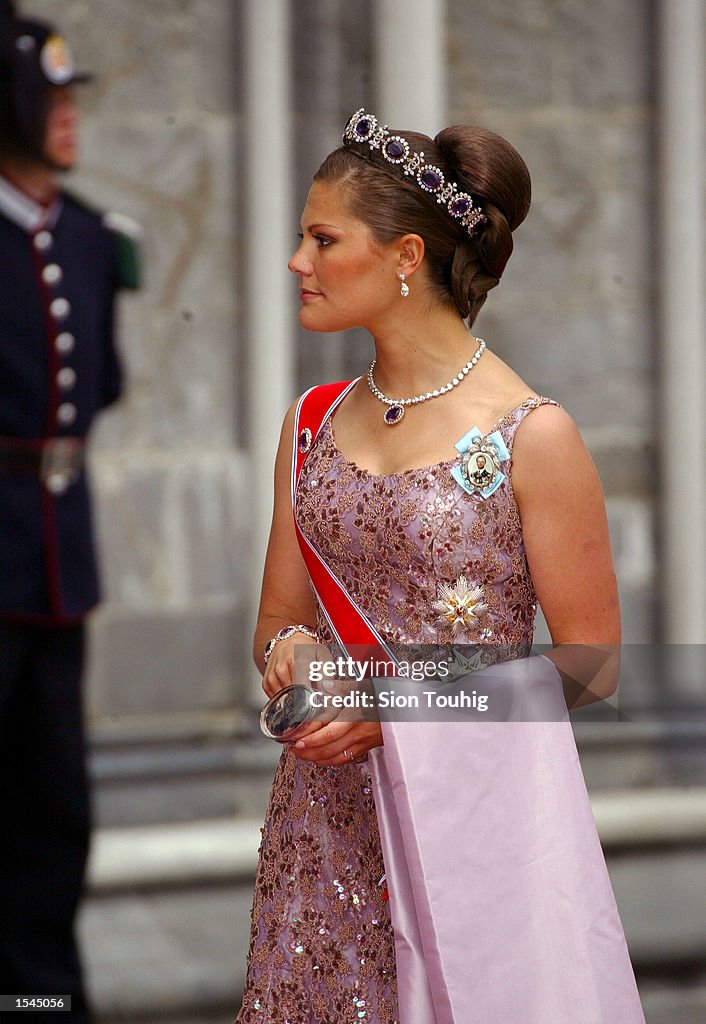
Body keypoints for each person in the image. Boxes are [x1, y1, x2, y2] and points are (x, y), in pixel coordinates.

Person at [237, 110, 646, 1023]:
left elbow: (591, 663)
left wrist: (393, 706)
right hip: (325, 832)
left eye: (321, 238)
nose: (298, 262)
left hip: (476, 830)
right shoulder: (309, 424)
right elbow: (278, 619)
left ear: (405, 256)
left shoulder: (533, 436)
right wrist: (295, 658)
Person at [0, 4, 138, 1017]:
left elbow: (103, 387)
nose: (66, 116)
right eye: (45, 97)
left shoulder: (92, 237)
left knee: (53, 809)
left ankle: (41, 1003)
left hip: (57, 556)